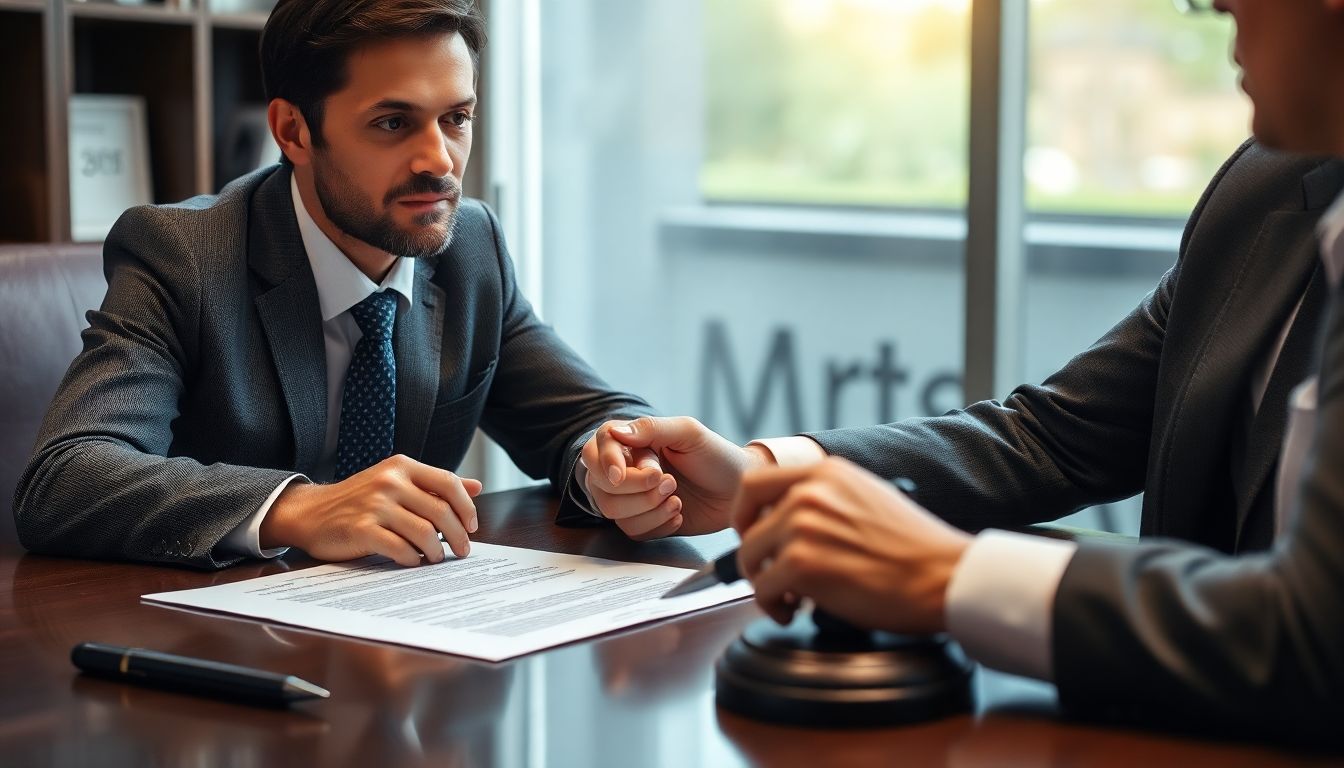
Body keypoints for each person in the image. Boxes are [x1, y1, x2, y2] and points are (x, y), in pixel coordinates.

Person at [581, 0, 1344, 738]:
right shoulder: (1265, 186)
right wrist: (763, 478)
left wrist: (952, 579)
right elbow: (1056, 436)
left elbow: (1315, 633)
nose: (1214, 4)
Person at [12, 0, 654, 570]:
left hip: (405, 643)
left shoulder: (470, 247)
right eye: (393, 123)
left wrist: (619, 470)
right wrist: (299, 509)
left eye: (456, 118)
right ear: (293, 131)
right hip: (219, 651)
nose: (439, 160)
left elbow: (588, 415)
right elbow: (63, 480)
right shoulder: (183, 255)